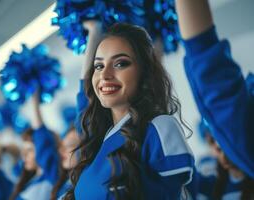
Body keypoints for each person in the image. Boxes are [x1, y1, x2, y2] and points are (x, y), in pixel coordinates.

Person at [63, 21, 194, 199]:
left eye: (120, 64)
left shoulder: (159, 127)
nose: (105, 75)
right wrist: (95, 30)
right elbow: (85, 93)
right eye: (99, 66)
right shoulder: (100, 138)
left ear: (144, 72)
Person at [175, 0, 254, 198]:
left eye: (222, 139)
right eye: (214, 142)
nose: (221, 148)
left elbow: (220, 92)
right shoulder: (206, 175)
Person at [8, 91, 60, 200]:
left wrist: (33, 96)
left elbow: (42, 140)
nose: (24, 156)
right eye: (24, 151)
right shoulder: (28, 182)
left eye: (30, 150)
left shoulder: (52, 176)